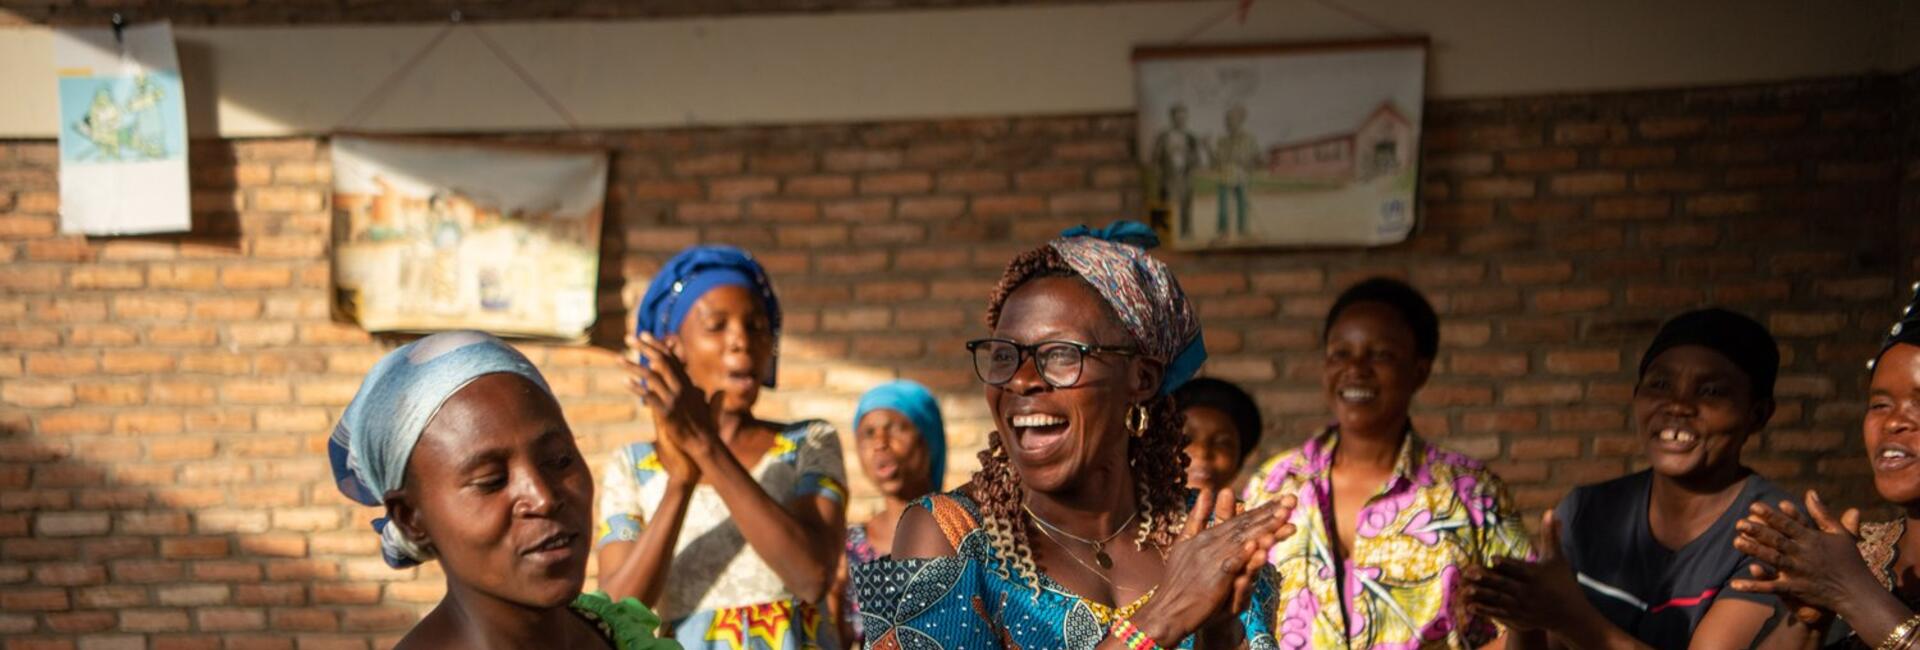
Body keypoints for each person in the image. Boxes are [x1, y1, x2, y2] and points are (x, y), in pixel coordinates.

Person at [852, 221, 1299, 649]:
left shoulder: (1207, 539)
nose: (1021, 380)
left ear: (1140, 379)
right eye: (1005, 354)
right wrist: (1159, 620)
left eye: (1061, 354)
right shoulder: (946, 535)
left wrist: (1216, 640)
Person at [1462, 308, 1796, 648]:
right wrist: (1524, 618)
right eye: (1660, 384)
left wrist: (1570, 618)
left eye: (1710, 391)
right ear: (1637, 396)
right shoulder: (1588, 511)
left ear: (1757, 414)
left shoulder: (1774, 533)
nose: (1678, 405)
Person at [327, 331, 674, 649]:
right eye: (491, 481)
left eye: (559, 460)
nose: (543, 497)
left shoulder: (614, 633)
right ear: (411, 519)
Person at [1242, 277, 1533, 649]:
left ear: (1420, 370)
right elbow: (1243, 619)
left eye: (1381, 355)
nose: (1356, 369)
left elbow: (1522, 625)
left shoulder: (1471, 492)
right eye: (1340, 354)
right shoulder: (1275, 483)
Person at [595, 245, 847, 648]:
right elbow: (617, 614)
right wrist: (680, 482)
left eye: (757, 326)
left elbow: (812, 577)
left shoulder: (808, 442)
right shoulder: (633, 466)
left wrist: (705, 447)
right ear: (672, 347)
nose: (741, 342)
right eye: (717, 326)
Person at [1731, 283, 1920, 649]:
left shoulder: (1849, 575)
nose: (1894, 422)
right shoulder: (1860, 554)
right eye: (1879, 404)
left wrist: (1852, 592)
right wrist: (1808, 621)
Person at [832, 379, 948, 644]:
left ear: (929, 438)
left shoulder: (969, 534)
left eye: (897, 428)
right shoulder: (847, 548)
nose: (880, 443)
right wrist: (833, 596)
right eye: (868, 433)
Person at [1173, 377, 1263, 492]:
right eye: (1184, 439)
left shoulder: (1254, 508)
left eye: (1222, 443)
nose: (1203, 452)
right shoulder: (1143, 508)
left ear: (1239, 461)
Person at [1150, 103, 1202, 237]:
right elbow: (1156, 157)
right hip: (1168, 177)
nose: (1180, 120)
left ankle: (1186, 232)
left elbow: (1197, 159)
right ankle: (1163, 234)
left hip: (1184, 177)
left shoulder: (1190, 138)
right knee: (1166, 203)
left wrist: (1190, 164)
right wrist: (1158, 174)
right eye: (1177, 117)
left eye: (1183, 118)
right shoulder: (1164, 137)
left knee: (1186, 205)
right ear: (1172, 118)